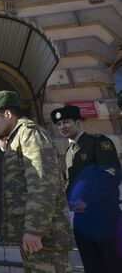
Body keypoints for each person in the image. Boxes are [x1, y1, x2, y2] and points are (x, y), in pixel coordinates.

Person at [0, 90, 72, 272]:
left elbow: (43, 183)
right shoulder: (18, 138)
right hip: (37, 238)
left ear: (8, 115)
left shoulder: (29, 134)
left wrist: (34, 229)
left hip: (44, 237)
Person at [51, 105, 122, 273]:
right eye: (59, 124)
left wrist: (86, 200)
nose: (63, 126)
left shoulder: (98, 143)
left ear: (77, 122)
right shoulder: (69, 151)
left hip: (104, 216)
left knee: (113, 264)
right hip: (82, 220)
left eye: (66, 122)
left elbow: (111, 176)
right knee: (92, 266)